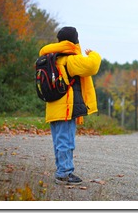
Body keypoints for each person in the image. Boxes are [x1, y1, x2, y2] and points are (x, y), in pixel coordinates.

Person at [38, 26, 101, 185]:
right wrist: (93, 53)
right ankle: (64, 174)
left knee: (59, 142)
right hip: (66, 109)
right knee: (66, 142)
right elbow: (92, 66)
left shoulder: (52, 58)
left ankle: (61, 170)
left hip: (53, 108)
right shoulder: (70, 60)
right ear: (75, 41)